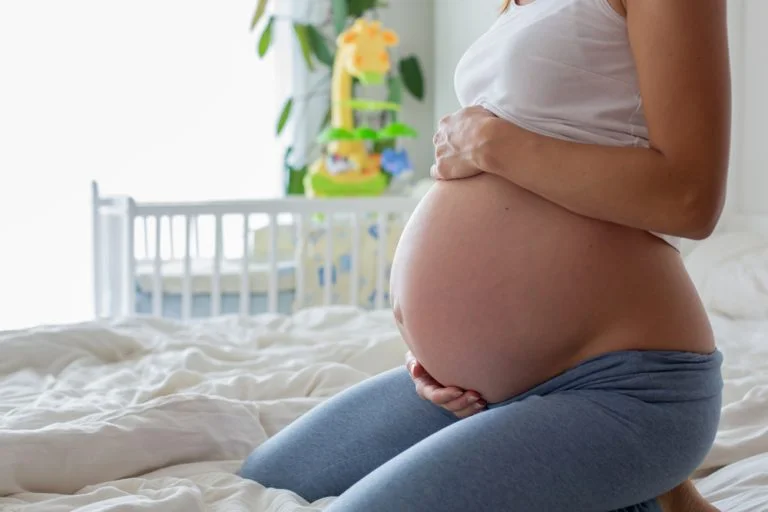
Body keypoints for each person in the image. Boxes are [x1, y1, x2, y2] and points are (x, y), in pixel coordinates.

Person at [239, 0, 730, 510]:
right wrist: (440, 349)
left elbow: (690, 198)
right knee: (264, 481)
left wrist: (490, 142)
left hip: (620, 384)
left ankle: (642, 481)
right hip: (472, 392)